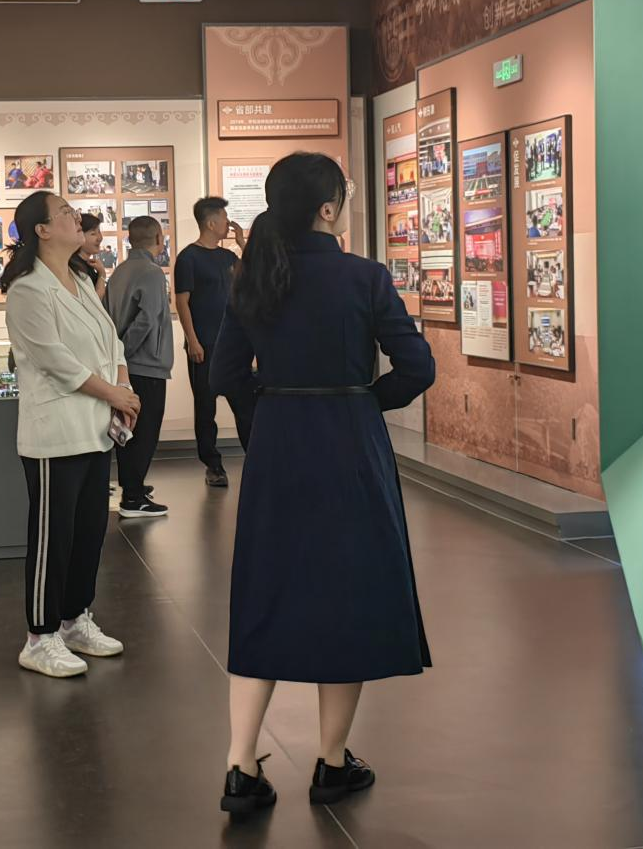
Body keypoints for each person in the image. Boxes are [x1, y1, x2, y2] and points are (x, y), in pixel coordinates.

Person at [210, 153, 435, 815]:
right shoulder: (364, 277)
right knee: (348, 594)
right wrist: (364, 401)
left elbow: (226, 374)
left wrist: (269, 412)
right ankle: (333, 762)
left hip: (278, 448)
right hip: (349, 448)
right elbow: (417, 367)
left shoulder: (253, 277)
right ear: (328, 209)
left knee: (264, 593)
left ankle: (240, 764)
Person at [2, 191, 139, 678]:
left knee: (88, 533)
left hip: (95, 428)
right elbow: (56, 362)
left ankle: (75, 618)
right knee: (53, 539)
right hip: (55, 434)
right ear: (41, 230)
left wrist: (123, 389)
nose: (75, 217)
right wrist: (115, 394)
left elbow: (111, 340)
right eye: (64, 212)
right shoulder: (28, 290)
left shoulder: (81, 279)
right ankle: (40, 637)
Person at [175, 196, 255, 488]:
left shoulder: (228, 257)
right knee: (206, 408)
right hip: (205, 345)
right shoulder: (188, 258)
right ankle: (213, 465)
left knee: (245, 406)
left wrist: (242, 242)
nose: (227, 223)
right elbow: (182, 302)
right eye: (223, 218)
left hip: (232, 346)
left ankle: (256, 458)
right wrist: (192, 340)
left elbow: (253, 277)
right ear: (211, 223)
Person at [106, 216, 173, 518]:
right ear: (159, 238)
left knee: (129, 429)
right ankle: (133, 497)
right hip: (146, 365)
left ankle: (133, 487)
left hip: (127, 366)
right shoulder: (152, 273)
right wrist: (125, 351)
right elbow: (147, 319)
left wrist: (119, 356)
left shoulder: (119, 271)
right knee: (144, 432)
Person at [77, 212, 109, 301]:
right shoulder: (76, 267)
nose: (100, 238)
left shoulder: (85, 264)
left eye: (99, 232)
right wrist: (102, 274)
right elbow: (95, 301)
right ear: (78, 235)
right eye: (93, 234)